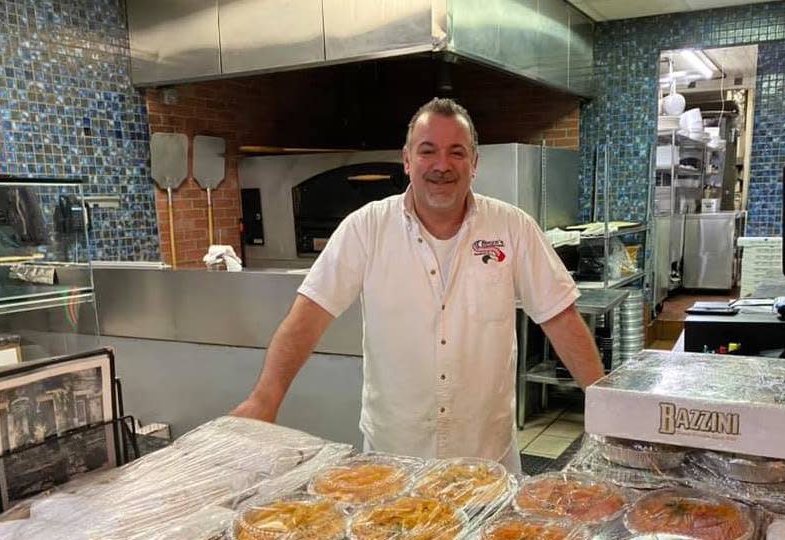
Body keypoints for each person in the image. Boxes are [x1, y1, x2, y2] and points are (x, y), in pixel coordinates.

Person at [232, 98, 604, 473]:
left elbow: (560, 316)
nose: (442, 165)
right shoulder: (366, 228)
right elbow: (307, 318)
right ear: (407, 160)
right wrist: (265, 399)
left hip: (485, 461)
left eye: (456, 152)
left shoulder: (512, 228)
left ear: (474, 163)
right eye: (428, 151)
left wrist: (607, 408)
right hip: (394, 463)